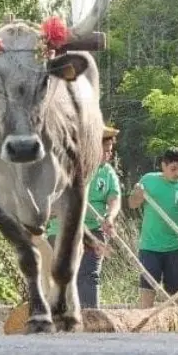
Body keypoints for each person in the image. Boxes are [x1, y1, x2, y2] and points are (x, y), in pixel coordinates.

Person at [45, 127, 121, 309]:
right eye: (105, 149)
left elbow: (114, 198)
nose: (108, 154)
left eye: (110, 150)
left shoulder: (107, 172)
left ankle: (90, 316)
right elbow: (51, 198)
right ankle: (59, 316)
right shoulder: (69, 167)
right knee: (63, 275)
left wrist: (109, 217)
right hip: (63, 229)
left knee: (89, 274)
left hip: (94, 230)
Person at [128, 147, 178, 309]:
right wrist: (138, 195)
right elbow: (132, 204)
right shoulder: (148, 180)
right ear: (163, 166)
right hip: (150, 245)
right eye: (173, 169)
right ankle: (145, 322)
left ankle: (176, 324)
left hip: (176, 246)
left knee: (175, 289)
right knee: (148, 286)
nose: (177, 173)